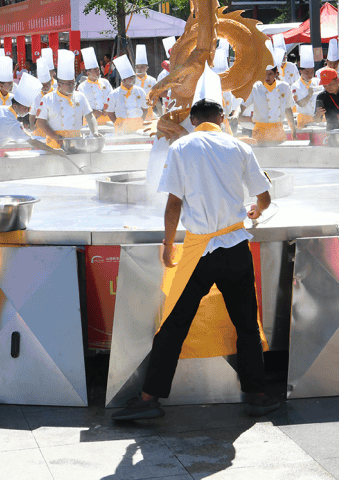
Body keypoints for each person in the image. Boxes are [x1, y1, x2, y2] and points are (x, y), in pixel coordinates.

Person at [112, 71, 280, 421]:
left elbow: (173, 203)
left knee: (174, 324)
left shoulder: (181, 147)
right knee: (246, 325)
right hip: (235, 248)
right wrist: (255, 210)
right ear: (222, 117)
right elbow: (264, 197)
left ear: (192, 118)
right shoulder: (241, 147)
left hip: (198, 251)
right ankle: (258, 395)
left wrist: (167, 243)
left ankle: (148, 399)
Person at [0, 74, 68, 159]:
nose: (27, 111)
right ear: (15, 106)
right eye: (25, 108)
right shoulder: (12, 123)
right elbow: (33, 142)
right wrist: (55, 151)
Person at [35, 51, 99, 148]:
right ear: (59, 85)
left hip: (77, 142)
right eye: (68, 84)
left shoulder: (80, 97)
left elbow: (90, 117)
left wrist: (95, 132)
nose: (72, 87)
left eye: (73, 83)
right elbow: (41, 122)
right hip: (55, 143)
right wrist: (54, 136)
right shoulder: (48, 99)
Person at [244, 64, 295, 145]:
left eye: (270, 74)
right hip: (260, 133)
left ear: (276, 74)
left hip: (278, 132)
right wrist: (239, 116)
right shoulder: (255, 87)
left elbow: (288, 109)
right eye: (264, 74)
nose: (267, 77)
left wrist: (293, 128)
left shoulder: (284, 87)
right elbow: (243, 105)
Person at [109, 55, 149, 133]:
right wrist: (117, 123)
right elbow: (109, 112)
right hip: (121, 125)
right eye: (131, 78)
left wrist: (141, 120)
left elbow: (145, 108)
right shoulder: (114, 94)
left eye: (133, 77)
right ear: (124, 80)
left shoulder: (140, 91)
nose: (133, 80)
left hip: (138, 125)